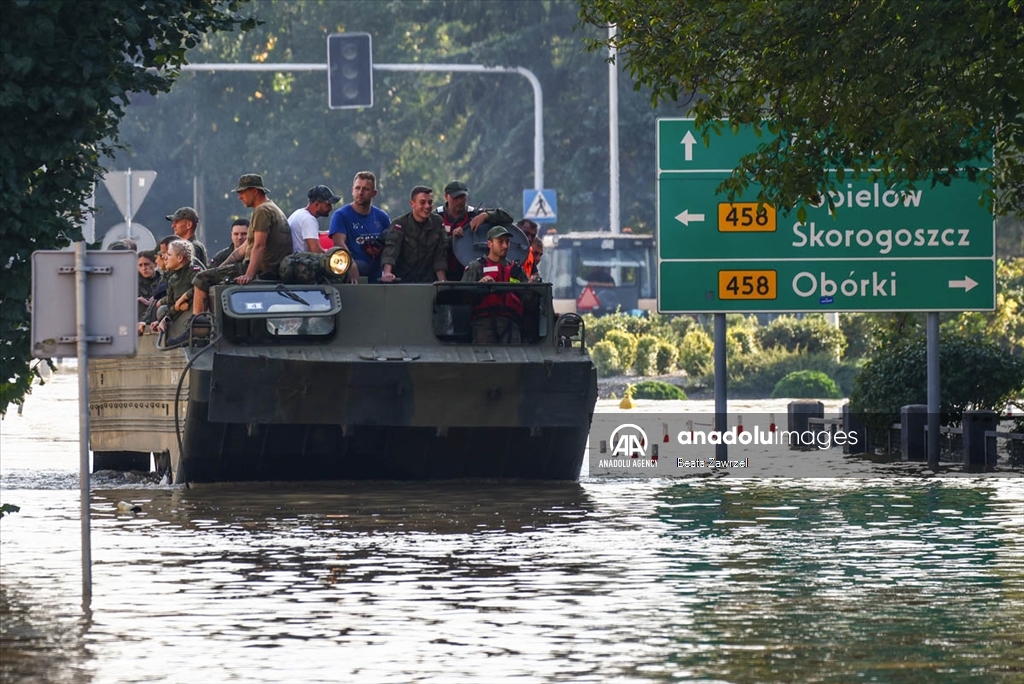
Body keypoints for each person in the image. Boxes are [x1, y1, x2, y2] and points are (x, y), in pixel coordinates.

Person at [190, 173, 292, 316]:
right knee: (210, 275)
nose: (240, 197)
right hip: (268, 267)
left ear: (255, 191)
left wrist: (249, 275)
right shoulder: (271, 208)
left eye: (242, 192)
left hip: (262, 270)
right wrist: (220, 268)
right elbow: (242, 250)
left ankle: (197, 326)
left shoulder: (262, 211)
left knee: (201, 279)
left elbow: (259, 246)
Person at [461, 225, 529, 344]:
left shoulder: (515, 270)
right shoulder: (476, 267)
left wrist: (517, 281)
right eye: (500, 242)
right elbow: (462, 297)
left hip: (510, 323)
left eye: (507, 242)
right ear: (489, 243)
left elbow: (527, 297)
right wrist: (478, 286)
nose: (505, 246)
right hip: (483, 324)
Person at [435, 180, 514, 281]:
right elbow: (433, 245)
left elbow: (508, 216)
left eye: (462, 197)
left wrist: (486, 215)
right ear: (446, 197)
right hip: (444, 270)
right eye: (456, 198)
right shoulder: (437, 216)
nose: (460, 201)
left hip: (472, 272)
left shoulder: (473, 214)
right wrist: (452, 238)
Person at [328, 171, 391, 283]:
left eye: (366, 189)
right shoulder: (341, 215)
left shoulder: (382, 217)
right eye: (357, 188)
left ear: (374, 193)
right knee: (361, 266)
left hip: (378, 275)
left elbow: (391, 245)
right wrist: (351, 263)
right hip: (354, 274)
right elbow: (339, 243)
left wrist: (387, 269)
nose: (360, 192)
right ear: (352, 190)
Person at [380, 185, 448, 284]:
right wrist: (387, 273)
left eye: (430, 202)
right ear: (412, 203)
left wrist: (442, 281)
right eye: (422, 202)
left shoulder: (437, 222)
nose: (427, 206)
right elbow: (391, 250)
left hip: (428, 281)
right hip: (403, 281)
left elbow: (440, 255)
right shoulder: (400, 224)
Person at [141, 239, 197, 338]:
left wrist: (183, 298)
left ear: (179, 258)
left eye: (169, 255)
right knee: (162, 310)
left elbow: (200, 288)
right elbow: (172, 304)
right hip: (178, 312)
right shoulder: (173, 278)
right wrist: (162, 320)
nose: (165, 258)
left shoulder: (194, 272)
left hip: (190, 314)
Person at [289, 184, 340, 253]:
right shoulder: (309, 219)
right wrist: (332, 254)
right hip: (302, 262)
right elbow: (316, 251)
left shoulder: (298, 213)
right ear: (316, 204)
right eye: (328, 204)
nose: (331, 208)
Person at [136, 250, 161, 322]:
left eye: (146, 264)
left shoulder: (162, 280)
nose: (144, 268)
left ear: (155, 264)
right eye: (140, 265)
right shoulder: (133, 282)